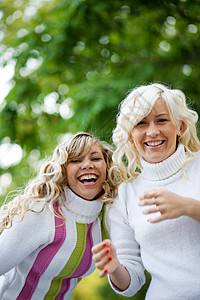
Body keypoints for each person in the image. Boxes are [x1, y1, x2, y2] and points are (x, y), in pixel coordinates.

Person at [92, 83, 200, 299]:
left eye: (162, 120)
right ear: (131, 135)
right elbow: (130, 283)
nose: (152, 132)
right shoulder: (124, 195)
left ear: (179, 126)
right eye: (141, 124)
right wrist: (115, 268)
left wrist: (189, 207)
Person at [0, 132, 118, 300]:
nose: (87, 165)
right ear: (63, 171)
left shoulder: (106, 217)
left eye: (95, 158)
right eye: (76, 160)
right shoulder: (42, 211)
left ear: (107, 166)